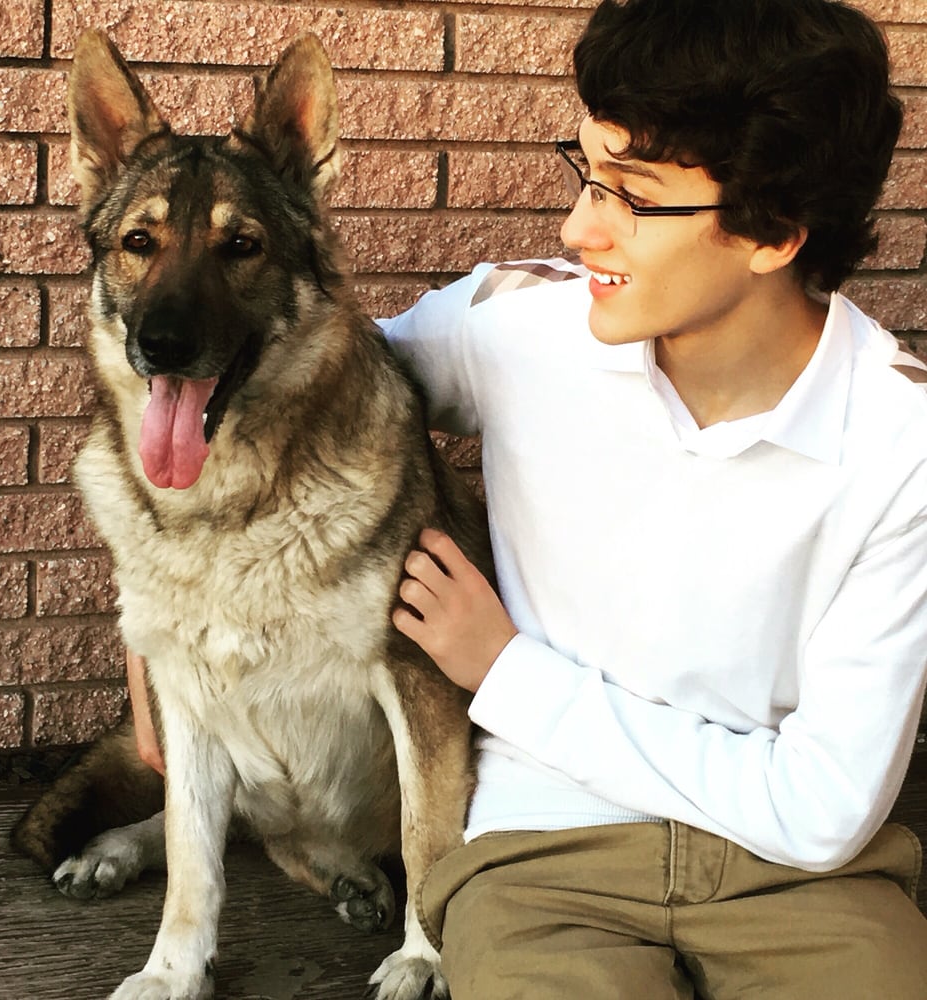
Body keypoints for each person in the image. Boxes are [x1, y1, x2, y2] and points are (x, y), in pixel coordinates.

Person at [129, 1, 927, 995]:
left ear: (772, 232)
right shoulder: (519, 324)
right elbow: (283, 376)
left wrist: (505, 671)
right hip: (542, 852)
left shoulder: (902, 445)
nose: (576, 227)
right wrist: (155, 637)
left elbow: (823, 808)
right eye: (584, 173)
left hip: (800, 880)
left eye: (631, 196)